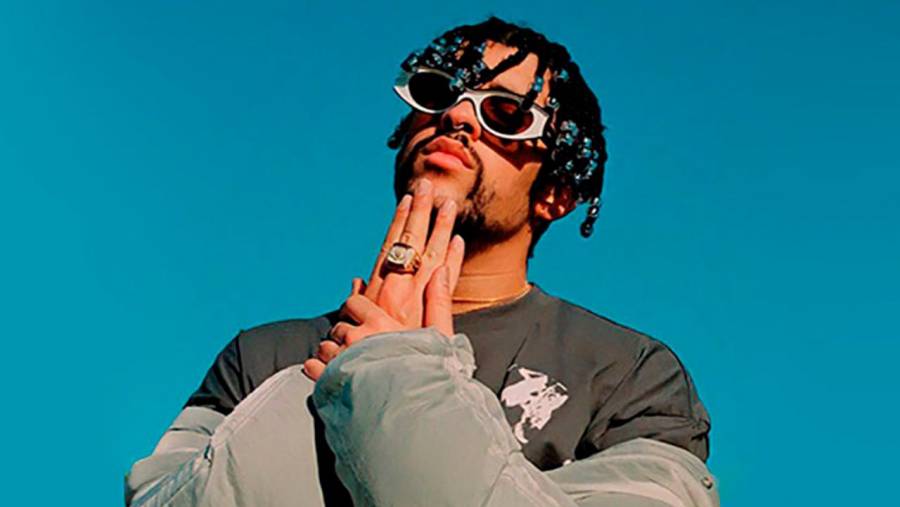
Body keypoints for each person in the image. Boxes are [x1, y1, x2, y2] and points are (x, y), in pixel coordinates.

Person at [125, 16, 718, 507]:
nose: (459, 118)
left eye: (505, 114)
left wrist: (393, 370)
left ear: (556, 194)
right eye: (438, 93)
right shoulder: (263, 356)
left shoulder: (626, 372)